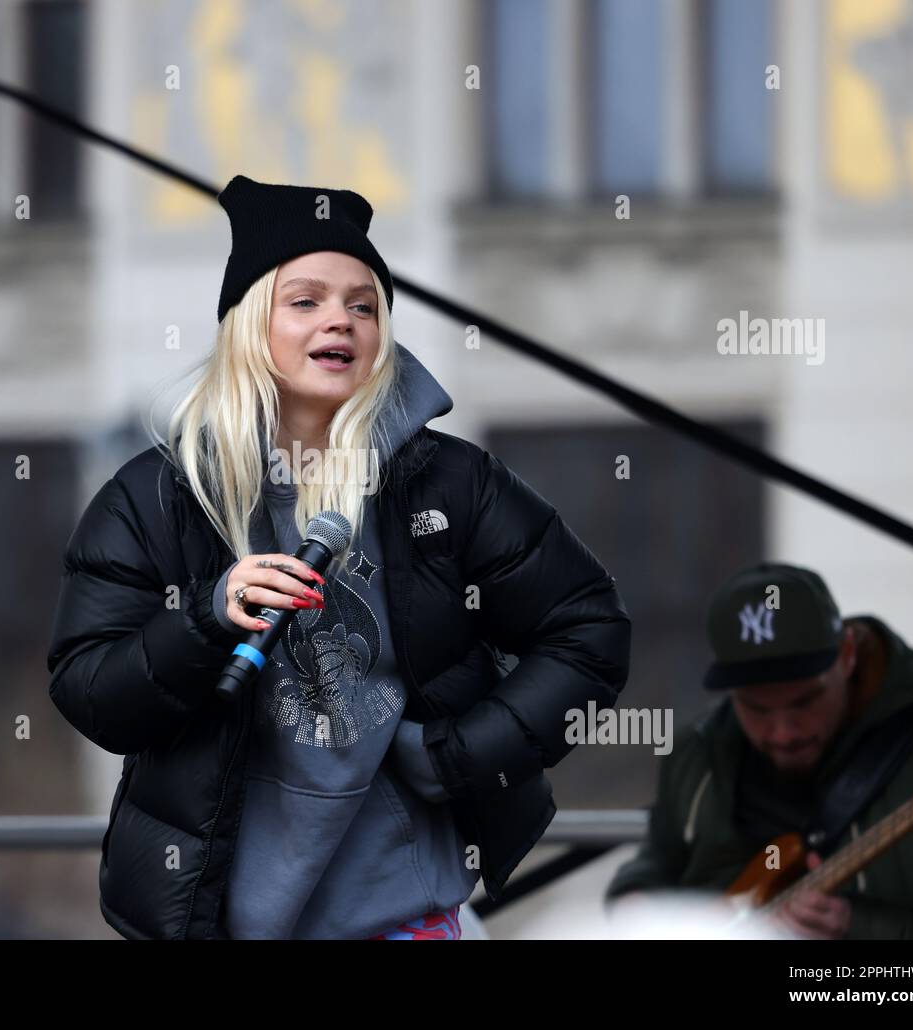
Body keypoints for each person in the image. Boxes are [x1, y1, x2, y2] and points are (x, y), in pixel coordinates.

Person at [48, 173, 631, 940]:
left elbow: (588, 629)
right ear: (251, 322)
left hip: (401, 916)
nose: (343, 321)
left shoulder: (449, 483)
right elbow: (89, 685)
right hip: (219, 921)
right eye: (307, 300)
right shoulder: (158, 495)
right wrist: (204, 618)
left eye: (365, 304)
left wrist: (457, 757)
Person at [605, 562, 913, 939]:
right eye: (756, 708)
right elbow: (656, 862)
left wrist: (855, 923)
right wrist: (637, 908)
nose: (782, 733)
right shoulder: (695, 753)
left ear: (847, 654)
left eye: (805, 702)